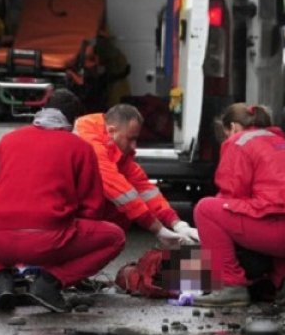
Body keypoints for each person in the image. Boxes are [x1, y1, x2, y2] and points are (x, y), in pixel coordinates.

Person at [0, 89, 125, 313]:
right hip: (48, 242)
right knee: (114, 237)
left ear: (42, 111)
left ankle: (0, 278)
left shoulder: (7, 140)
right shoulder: (81, 148)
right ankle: (49, 282)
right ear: (73, 121)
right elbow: (92, 208)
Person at [192, 103, 285, 307]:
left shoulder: (238, 142)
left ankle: (230, 286)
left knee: (206, 210)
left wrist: (208, 234)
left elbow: (229, 199)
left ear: (233, 128)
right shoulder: (278, 142)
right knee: (261, 219)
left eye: (225, 134)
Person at [74, 104, 199, 247]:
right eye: (130, 139)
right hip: (62, 215)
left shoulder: (113, 147)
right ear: (111, 131)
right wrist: (157, 229)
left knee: (122, 215)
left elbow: (145, 190)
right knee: (117, 224)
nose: (134, 146)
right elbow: (116, 188)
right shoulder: (90, 142)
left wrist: (177, 224)